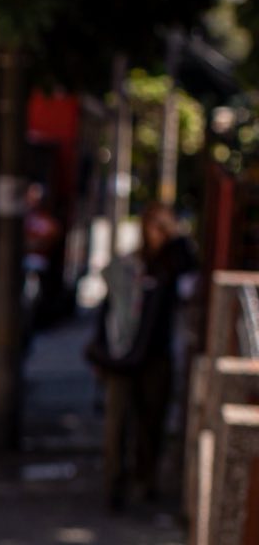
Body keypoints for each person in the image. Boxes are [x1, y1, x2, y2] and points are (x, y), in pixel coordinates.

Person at [94, 201, 199, 509]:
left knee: (151, 423)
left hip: (156, 356)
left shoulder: (175, 263)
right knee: (116, 424)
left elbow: (190, 277)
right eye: (153, 225)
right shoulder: (129, 266)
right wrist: (101, 350)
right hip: (122, 356)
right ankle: (114, 485)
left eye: (163, 226)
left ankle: (146, 478)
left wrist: (176, 238)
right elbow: (108, 309)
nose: (157, 232)